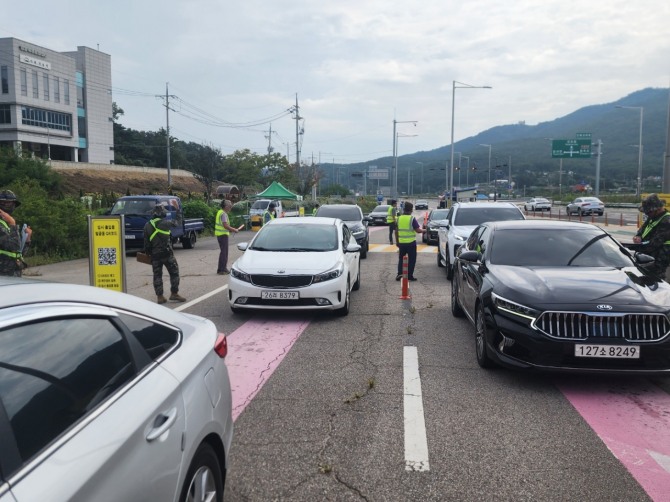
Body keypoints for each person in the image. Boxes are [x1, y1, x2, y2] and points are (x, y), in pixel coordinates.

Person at [143, 204, 186, 304]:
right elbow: (178, 222)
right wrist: (178, 210)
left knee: (157, 275)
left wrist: (148, 254)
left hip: (155, 255)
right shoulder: (165, 223)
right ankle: (174, 293)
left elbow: (146, 242)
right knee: (174, 273)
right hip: (167, 254)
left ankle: (160, 296)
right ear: (162, 214)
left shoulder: (147, 225)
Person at [633, 193, 670, 280]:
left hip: (659, 257)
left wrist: (635, 248)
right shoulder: (653, 217)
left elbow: (655, 243)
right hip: (648, 255)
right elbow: (643, 229)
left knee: (657, 280)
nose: (647, 214)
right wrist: (638, 236)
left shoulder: (666, 221)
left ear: (657, 209)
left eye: (648, 212)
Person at [0, 190, 32, 277]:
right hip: (3, 274)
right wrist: (12, 224)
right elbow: (13, 246)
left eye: (10, 203)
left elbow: (18, 252)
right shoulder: (9, 223)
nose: (8, 206)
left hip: (13, 273)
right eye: (4, 203)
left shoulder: (7, 223)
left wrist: (27, 239)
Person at [395, 201, 426, 281]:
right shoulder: (412, 219)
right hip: (411, 243)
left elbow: (396, 231)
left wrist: (397, 242)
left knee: (401, 258)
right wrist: (425, 230)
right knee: (412, 259)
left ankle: (399, 274)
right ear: (411, 210)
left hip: (401, 243)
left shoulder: (399, 218)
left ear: (404, 209)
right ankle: (409, 275)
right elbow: (418, 230)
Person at [215, 199, 240, 275]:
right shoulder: (223, 214)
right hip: (223, 235)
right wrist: (234, 230)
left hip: (220, 234)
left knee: (223, 252)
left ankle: (221, 268)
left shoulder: (220, 212)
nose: (230, 208)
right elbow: (225, 225)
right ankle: (222, 269)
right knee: (224, 253)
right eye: (230, 206)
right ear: (226, 207)